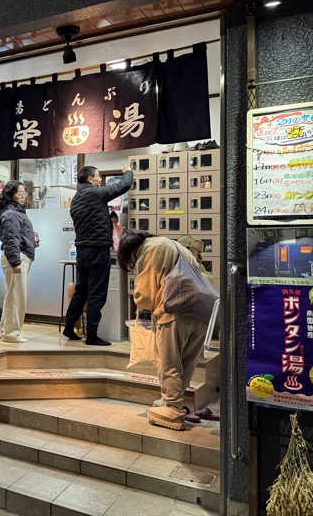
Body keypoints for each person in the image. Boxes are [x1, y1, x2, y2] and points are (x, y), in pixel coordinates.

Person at [117, 232, 208, 431]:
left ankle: (173, 409)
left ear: (130, 253)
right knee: (187, 362)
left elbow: (146, 296)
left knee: (170, 362)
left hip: (175, 309)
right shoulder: (177, 247)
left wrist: (140, 303)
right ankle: (172, 400)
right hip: (202, 312)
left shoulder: (150, 250)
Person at [62, 164, 133, 345]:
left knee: (82, 291)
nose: (100, 179)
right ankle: (92, 336)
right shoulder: (93, 193)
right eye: (98, 176)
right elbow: (122, 186)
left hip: (82, 251)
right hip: (97, 250)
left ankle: (69, 327)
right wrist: (127, 172)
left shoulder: (77, 197)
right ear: (89, 179)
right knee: (97, 293)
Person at [0, 180, 37, 343]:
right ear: (12, 194)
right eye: (20, 192)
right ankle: (11, 333)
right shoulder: (12, 213)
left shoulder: (14, 212)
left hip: (18, 256)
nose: (23, 195)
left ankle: (6, 330)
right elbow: (11, 239)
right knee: (17, 297)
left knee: (13, 295)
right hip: (17, 258)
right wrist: (16, 262)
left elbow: (15, 236)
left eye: (24, 192)